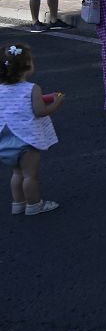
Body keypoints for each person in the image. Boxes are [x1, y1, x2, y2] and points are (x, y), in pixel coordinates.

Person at [0, 43, 65, 216]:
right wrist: (57, 101)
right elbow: (40, 111)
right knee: (30, 175)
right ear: (27, 67)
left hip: (5, 139)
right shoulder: (32, 88)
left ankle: (18, 203)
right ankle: (34, 205)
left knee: (17, 173)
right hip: (26, 139)